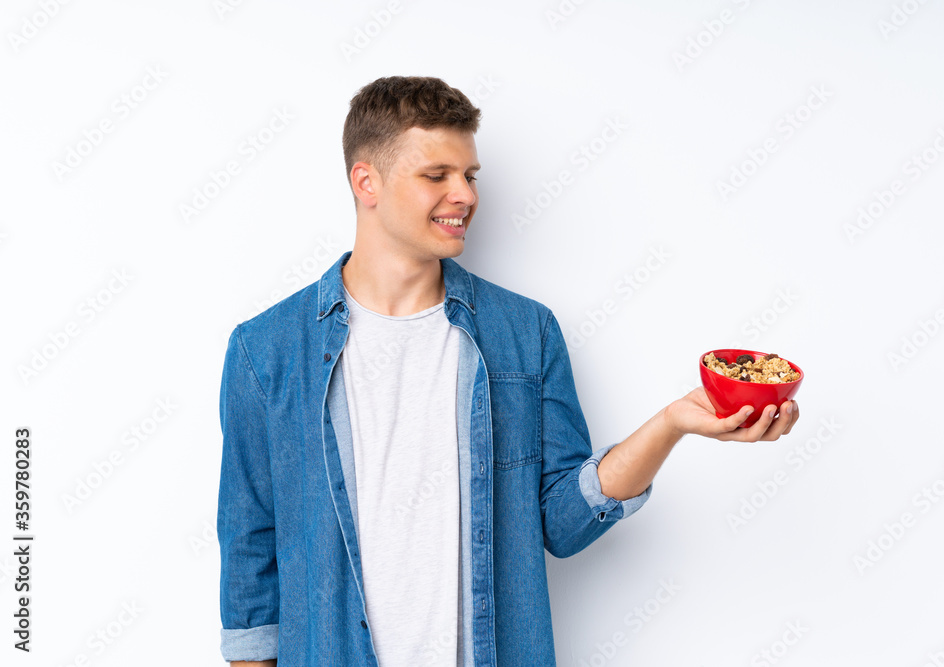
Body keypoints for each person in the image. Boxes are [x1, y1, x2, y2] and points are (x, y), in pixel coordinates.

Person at [216, 75, 799, 667]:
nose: (464, 195)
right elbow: (249, 554)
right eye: (436, 175)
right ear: (366, 181)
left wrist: (671, 424)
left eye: (469, 175)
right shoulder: (266, 351)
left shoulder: (525, 333)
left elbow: (564, 523)